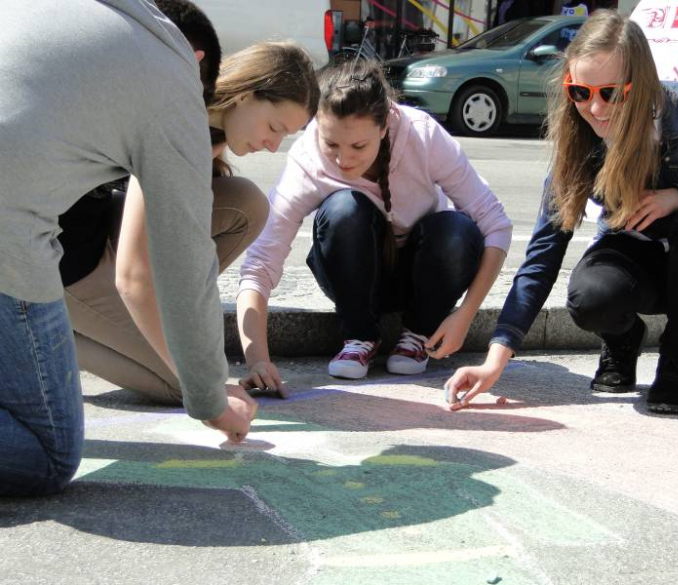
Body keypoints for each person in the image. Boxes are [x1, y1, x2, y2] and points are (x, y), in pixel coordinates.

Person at [446, 10, 678, 415]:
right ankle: (623, 340)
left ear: (642, 83)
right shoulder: (579, 140)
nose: (594, 108)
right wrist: (495, 359)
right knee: (590, 298)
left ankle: (674, 367)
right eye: (580, 91)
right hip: (634, 254)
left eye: (611, 93)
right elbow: (542, 256)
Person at [0, 0, 251, 497]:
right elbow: (183, 258)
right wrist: (211, 399)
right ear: (196, 61)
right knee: (48, 454)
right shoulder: (172, 75)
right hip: (10, 233)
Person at [59, 33, 319, 404]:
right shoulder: (177, 121)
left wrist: (251, 357)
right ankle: (45, 325)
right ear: (245, 96)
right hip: (61, 258)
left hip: (100, 224)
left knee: (246, 204)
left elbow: (185, 247)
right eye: (274, 128)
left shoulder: (210, 130)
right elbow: (132, 276)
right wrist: (201, 380)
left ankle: (121, 324)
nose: (273, 146)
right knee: (185, 384)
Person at [237, 60, 512, 389]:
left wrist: (465, 315)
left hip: (423, 277)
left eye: (358, 146)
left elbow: (496, 224)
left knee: (458, 230)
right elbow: (260, 264)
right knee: (343, 209)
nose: (343, 160)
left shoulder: (421, 134)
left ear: (384, 127)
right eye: (331, 144)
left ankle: (418, 335)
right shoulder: (306, 159)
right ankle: (358, 336)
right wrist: (258, 360)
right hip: (352, 277)